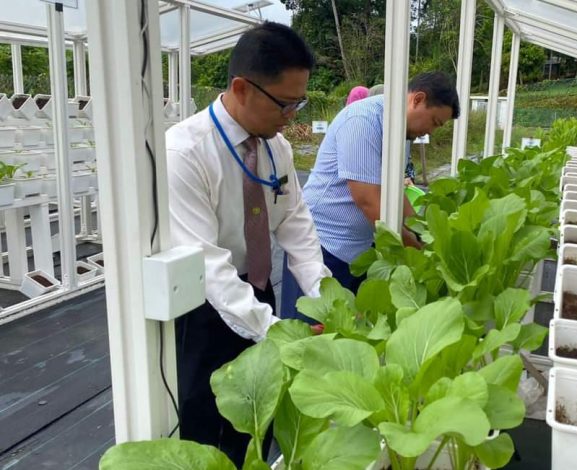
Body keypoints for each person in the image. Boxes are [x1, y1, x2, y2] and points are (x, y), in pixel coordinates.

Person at [165, 22, 330, 466]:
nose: (291, 115)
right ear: (241, 88)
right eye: (284, 103)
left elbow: (296, 224)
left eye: (299, 103)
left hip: (257, 293)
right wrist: (276, 332)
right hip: (204, 309)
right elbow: (208, 266)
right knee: (210, 430)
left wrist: (326, 297)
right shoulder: (184, 153)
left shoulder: (276, 148)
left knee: (263, 421)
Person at [281, 72, 459, 320]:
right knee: (312, 330)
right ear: (417, 99)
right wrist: (416, 250)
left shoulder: (400, 131)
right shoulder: (363, 120)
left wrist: (424, 234)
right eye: (435, 122)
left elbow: (394, 191)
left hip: (358, 250)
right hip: (322, 246)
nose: (430, 131)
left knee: (348, 332)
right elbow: (368, 200)